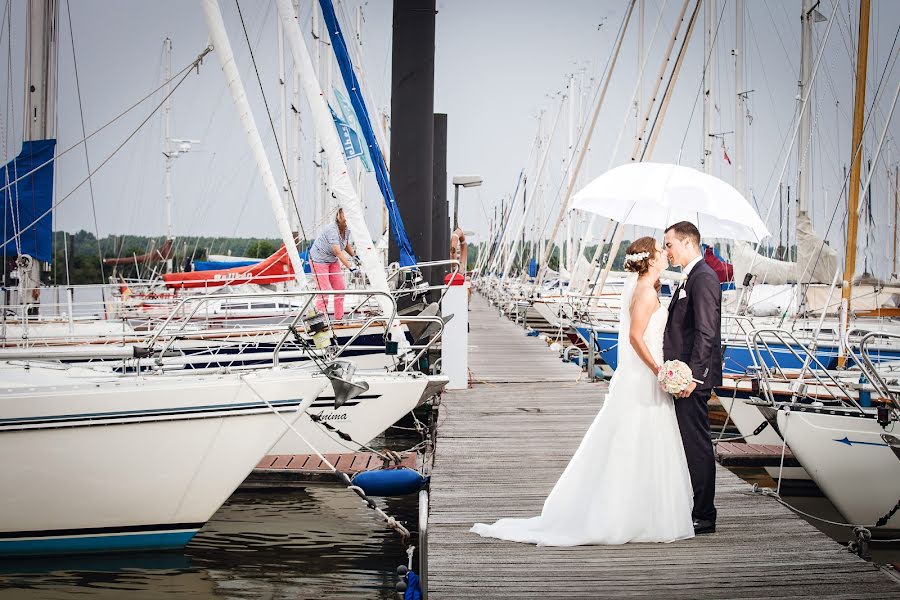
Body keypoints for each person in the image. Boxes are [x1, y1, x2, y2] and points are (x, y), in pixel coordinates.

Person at [470, 236, 694, 545]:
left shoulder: (649, 288)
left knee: (646, 441)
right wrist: (660, 370)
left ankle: (646, 511)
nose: (665, 253)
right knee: (635, 440)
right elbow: (635, 337)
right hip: (645, 376)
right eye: (661, 249)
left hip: (647, 377)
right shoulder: (643, 292)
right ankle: (626, 514)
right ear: (652, 259)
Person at [663, 221, 722, 535]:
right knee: (688, 443)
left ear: (686, 243)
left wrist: (694, 377)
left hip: (692, 379)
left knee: (697, 444)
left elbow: (706, 332)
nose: (667, 251)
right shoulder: (691, 276)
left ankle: (704, 514)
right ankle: (694, 508)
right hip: (683, 374)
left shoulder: (704, 278)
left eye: (670, 244)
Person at [308, 208, 359, 320]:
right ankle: (321, 320)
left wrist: (354, 256)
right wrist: (351, 267)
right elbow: (338, 252)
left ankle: (339, 318)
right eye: (345, 219)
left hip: (332, 259)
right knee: (324, 291)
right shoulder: (332, 229)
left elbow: (345, 244)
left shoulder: (347, 228)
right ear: (338, 218)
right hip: (318, 259)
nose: (346, 222)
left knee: (340, 288)